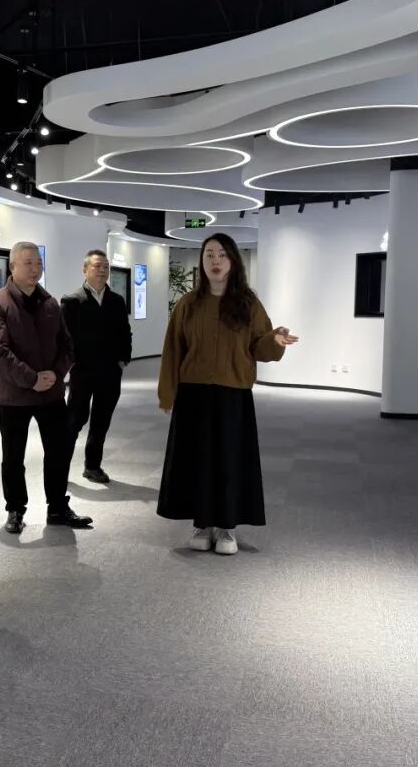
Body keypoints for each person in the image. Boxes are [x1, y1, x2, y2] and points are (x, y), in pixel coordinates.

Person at [156, 233, 299, 555]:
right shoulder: (188, 304)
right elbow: (173, 351)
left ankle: (226, 527)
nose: (215, 261)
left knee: (229, 462)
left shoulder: (248, 304)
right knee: (197, 462)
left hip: (233, 396)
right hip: (193, 396)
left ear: (233, 261)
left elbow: (260, 346)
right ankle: (202, 524)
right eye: (209, 254)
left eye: (221, 254)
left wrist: (275, 340)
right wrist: (167, 394)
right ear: (202, 261)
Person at [0, 242, 94, 534]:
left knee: (58, 451)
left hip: (51, 394)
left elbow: (67, 346)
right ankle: (15, 509)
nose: (35, 269)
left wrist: (55, 374)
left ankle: (57, 507)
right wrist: (32, 378)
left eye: (38, 263)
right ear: (12, 266)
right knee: (13, 457)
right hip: (14, 395)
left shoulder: (50, 303)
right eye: (28, 263)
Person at [61, 250, 133, 484]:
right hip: (83, 372)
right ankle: (59, 467)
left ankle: (92, 466)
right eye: (97, 266)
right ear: (85, 270)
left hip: (110, 372)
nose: (102, 270)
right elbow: (64, 337)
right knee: (74, 420)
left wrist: (124, 358)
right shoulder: (72, 301)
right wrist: (71, 363)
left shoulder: (117, 301)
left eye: (105, 266)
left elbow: (125, 332)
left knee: (101, 421)